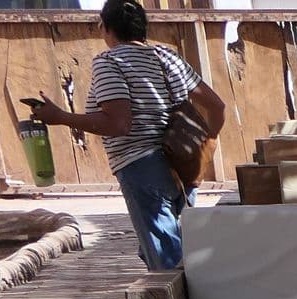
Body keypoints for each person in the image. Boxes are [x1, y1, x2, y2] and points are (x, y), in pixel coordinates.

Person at [28, 0, 223, 270]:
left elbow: (120, 124)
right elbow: (217, 106)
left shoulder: (109, 62)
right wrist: (203, 149)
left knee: (168, 265)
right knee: (171, 248)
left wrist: (60, 117)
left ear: (106, 28)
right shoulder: (167, 57)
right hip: (183, 167)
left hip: (140, 165)